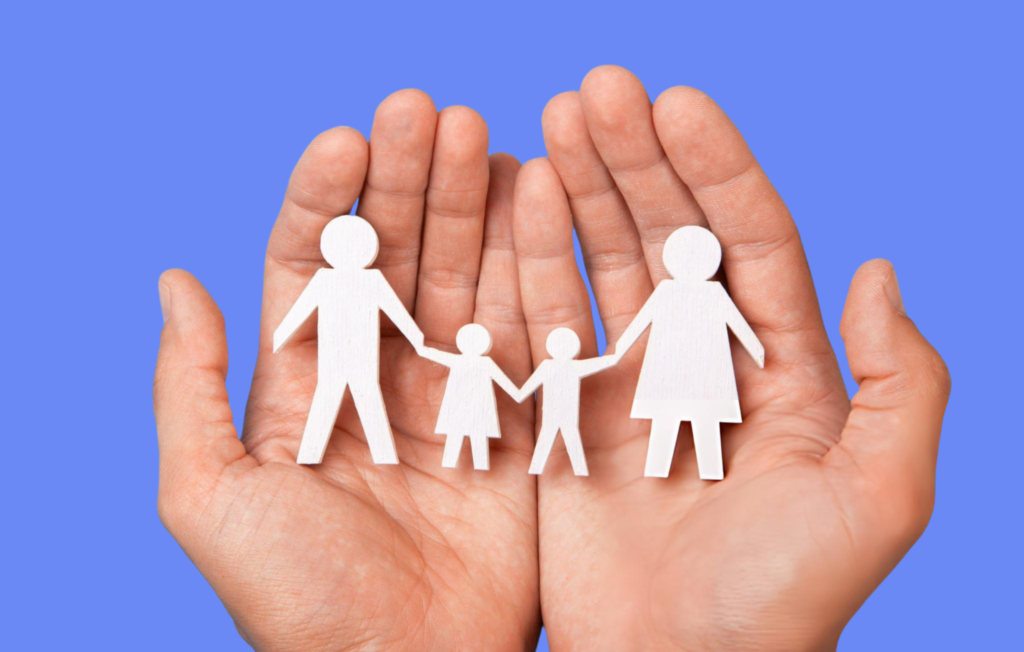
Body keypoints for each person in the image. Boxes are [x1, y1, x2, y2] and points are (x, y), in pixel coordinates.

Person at [153, 69, 950, 651]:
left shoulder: (692, 299)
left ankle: (682, 456)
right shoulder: (664, 306)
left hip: (684, 377)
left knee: (691, 430)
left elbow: (689, 341)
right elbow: (605, 346)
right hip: (440, 371)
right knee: (346, 408)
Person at [608, 225, 764, 480]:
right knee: (687, 421)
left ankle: (706, 471)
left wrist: (620, 350)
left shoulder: (704, 293)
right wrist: (757, 350)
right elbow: (640, 322)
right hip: (689, 374)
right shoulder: (677, 292)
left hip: (686, 374)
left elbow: (738, 325)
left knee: (689, 422)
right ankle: (670, 469)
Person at [272, 214, 425, 465]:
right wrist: (281, 335)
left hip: (362, 353)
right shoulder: (326, 280)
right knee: (333, 394)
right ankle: (312, 453)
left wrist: (416, 337)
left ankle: (383, 454)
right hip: (335, 354)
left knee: (364, 394)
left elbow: (396, 310)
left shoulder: (370, 280)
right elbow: (302, 308)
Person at [514, 327, 617, 476]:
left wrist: (514, 392)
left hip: (556, 413)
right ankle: (576, 470)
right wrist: (617, 355)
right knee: (565, 436)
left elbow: (523, 392)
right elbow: (605, 362)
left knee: (552, 436)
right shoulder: (573, 366)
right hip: (564, 413)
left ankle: (540, 468)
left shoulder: (549, 366)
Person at [420, 324, 520, 470]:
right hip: (470, 409)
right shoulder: (481, 362)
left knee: (466, 436)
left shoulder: (463, 361)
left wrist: (421, 348)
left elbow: (431, 353)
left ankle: (467, 463)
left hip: (467, 409)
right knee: (468, 436)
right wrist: (519, 394)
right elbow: (507, 384)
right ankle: (469, 464)